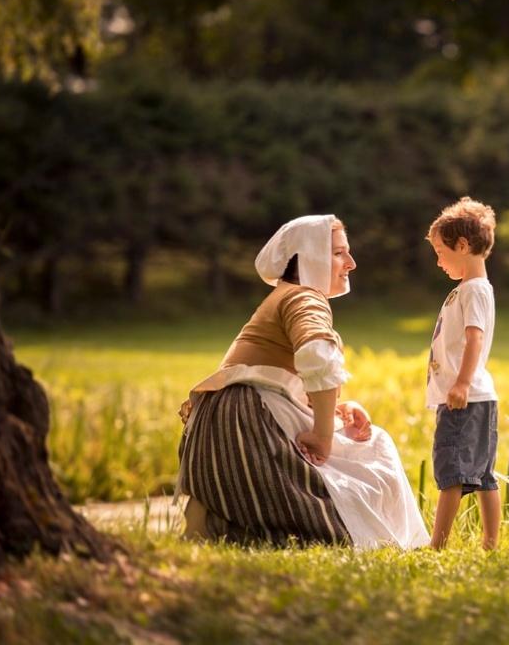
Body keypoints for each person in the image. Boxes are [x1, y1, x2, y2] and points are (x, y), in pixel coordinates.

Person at [176, 215, 430, 549]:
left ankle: (231, 523)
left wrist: (337, 409)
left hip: (227, 429)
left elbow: (292, 375)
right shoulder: (303, 297)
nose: (351, 264)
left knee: (357, 447)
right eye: (339, 253)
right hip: (249, 425)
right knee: (375, 447)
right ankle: (355, 533)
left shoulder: (284, 297)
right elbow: (316, 356)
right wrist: (323, 435)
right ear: (308, 255)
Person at [424, 197, 501, 550]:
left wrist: (461, 383)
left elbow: (475, 337)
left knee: (452, 472)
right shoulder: (473, 290)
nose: (438, 261)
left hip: (465, 398)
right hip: (478, 397)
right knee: (482, 475)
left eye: (441, 252)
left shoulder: (472, 291)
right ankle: (490, 543)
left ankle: (437, 545)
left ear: (463, 246)